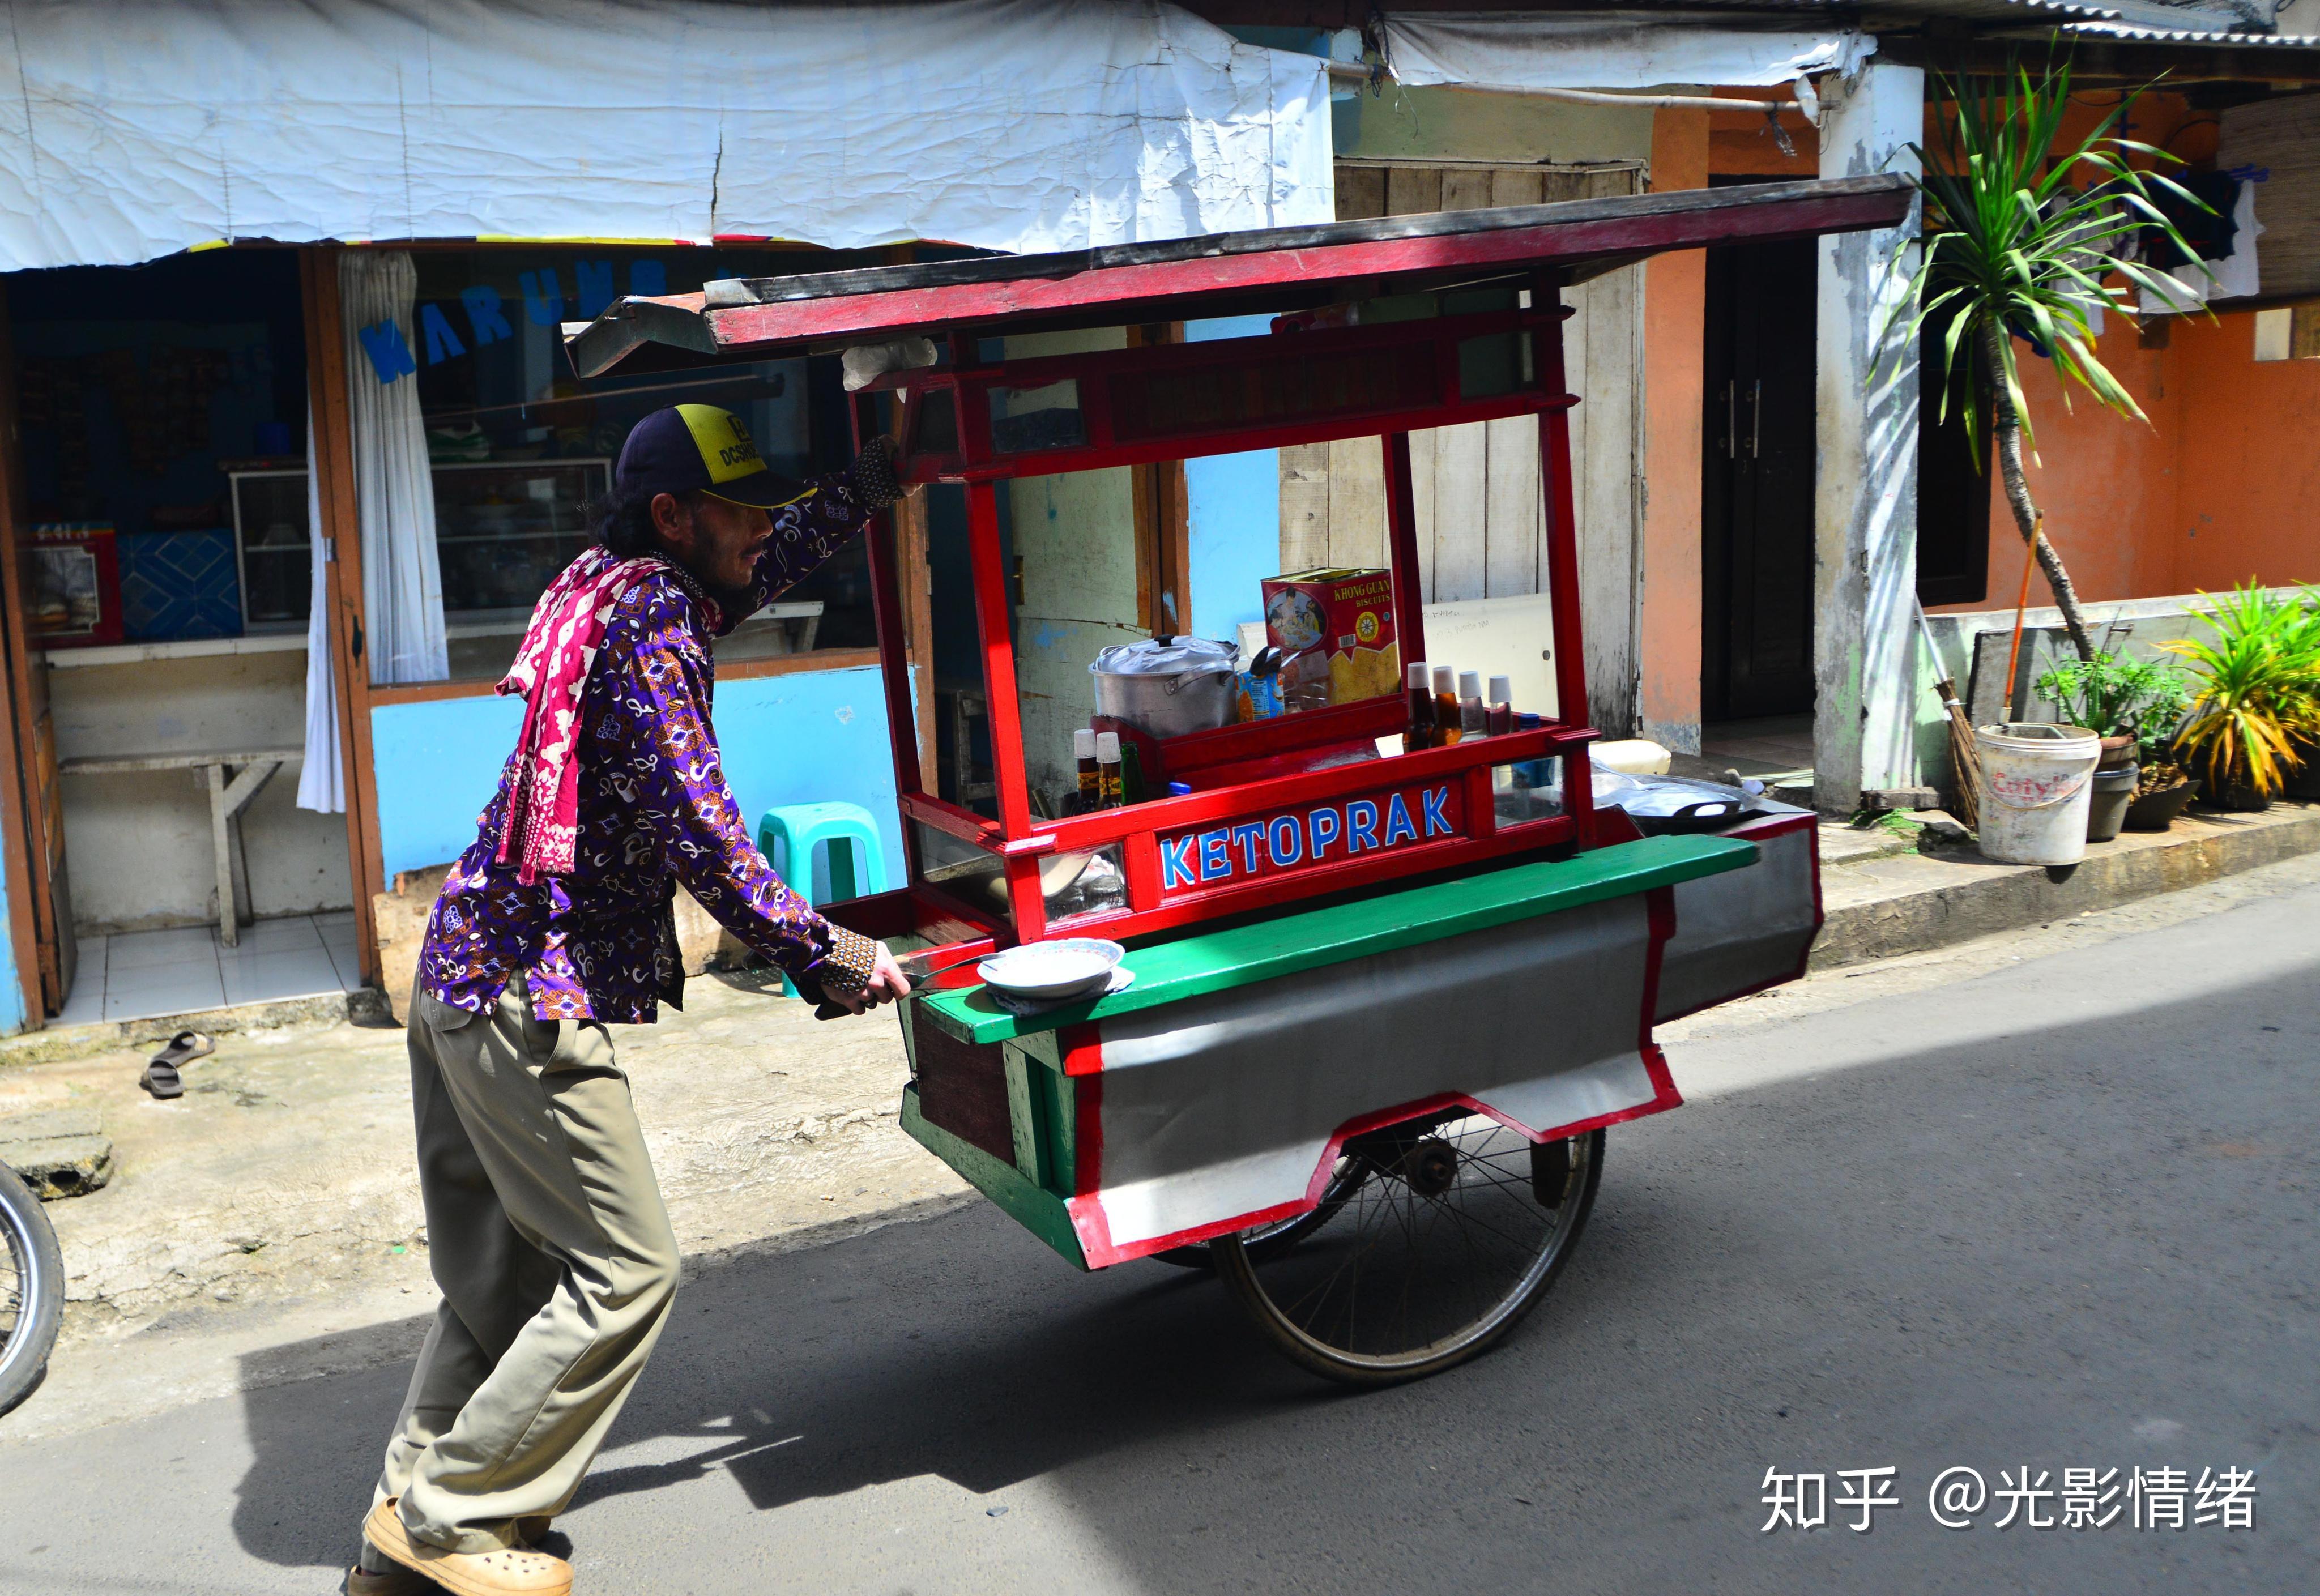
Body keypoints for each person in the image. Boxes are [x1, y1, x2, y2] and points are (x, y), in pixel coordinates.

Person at [351, 404, 912, 1596]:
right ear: (674, 515)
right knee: (627, 1268)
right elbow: (699, 823)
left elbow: (747, 575)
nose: (762, 530)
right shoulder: (655, 615)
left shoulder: (605, 581)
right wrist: (831, 950)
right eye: (741, 509)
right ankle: (451, 1516)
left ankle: (401, 1532)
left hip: (457, 969)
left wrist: (859, 490)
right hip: (522, 991)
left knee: (496, 1288)